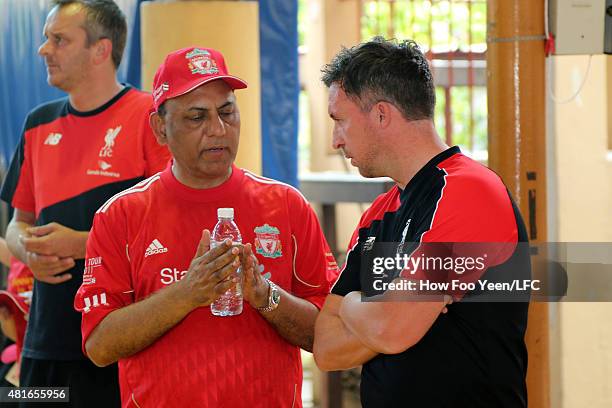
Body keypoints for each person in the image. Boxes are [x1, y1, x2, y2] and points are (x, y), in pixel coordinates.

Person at [74, 46, 339, 407]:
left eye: (227, 112)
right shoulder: (120, 215)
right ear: (159, 128)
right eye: (196, 117)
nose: (217, 129)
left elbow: (329, 333)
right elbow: (100, 346)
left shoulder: (287, 205)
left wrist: (265, 296)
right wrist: (187, 294)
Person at [313, 37, 530, 407]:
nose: (335, 140)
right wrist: (383, 308)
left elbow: (391, 329)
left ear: (381, 114)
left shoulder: (469, 192)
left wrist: (352, 304)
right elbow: (326, 349)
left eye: (340, 121)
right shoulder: (377, 216)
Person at [0, 0, 170, 405]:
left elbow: (169, 226)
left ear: (101, 50)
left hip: (120, 341)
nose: (44, 49)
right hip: (44, 343)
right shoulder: (37, 123)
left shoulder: (149, 117)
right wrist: (28, 250)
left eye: (59, 39)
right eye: (45, 39)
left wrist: (80, 244)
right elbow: (15, 224)